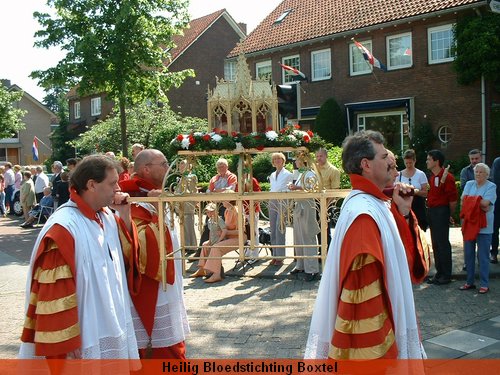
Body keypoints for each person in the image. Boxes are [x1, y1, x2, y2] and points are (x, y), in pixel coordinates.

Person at [305, 130, 429, 360]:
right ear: (366, 165)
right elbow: (363, 307)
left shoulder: (375, 202)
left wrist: (402, 211)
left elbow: (403, 259)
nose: (392, 164)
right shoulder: (363, 216)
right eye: (384, 158)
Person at [19, 155, 140, 359]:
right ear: (91, 185)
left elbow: (126, 259)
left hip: (109, 321)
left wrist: (125, 215)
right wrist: (65, 339)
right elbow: (54, 290)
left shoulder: (107, 216)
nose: (118, 188)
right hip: (84, 332)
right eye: (112, 183)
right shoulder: (63, 228)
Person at [119, 149, 190, 359]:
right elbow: (134, 243)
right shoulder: (133, 197)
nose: (168, 168)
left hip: (169, 280)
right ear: (146, 169)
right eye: (164, 163)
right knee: (160, 345)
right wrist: (155, 210)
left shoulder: (153, 193)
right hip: (152, 283)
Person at [459, 163, 496, 294]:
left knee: (483, 256)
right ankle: (469, 282)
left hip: (484, 227)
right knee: (468, 255)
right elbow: (463, 200)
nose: (478, 174)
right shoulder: (469, 184)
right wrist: (478, 203)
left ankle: (484, 284)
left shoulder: (491, 186)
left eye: (481, 172)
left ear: (487, 174)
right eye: (476, 172)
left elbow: (487, 203)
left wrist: (472, 202)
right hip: (469, 224)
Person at [191, 158, 237, 262]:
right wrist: (220, 191)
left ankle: (214, 255)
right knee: (207, 227)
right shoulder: (214, 178)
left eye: (223, 166)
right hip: (214, 205)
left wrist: (216, 191)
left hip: (226, 206)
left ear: (227, 166)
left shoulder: (232, 176)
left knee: (221, 228)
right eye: (219, 166)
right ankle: (200, 253)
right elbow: (208, 191)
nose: (221, 168)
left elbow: (231, 190)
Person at [193, 197, 244, 284]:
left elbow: (241, 231)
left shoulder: (237, 211)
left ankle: (217, 274)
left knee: (216, 247)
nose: (221, 200)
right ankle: (202, 269)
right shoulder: (227, 211)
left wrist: (225, 232)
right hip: (228, 237)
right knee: (205, 244)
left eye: (224, 198)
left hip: (238, 238)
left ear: (228, 200)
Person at [426, 150, 458, 285]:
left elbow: (453, 200)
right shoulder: (433, 177)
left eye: (429, 159)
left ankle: (446, 274)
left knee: (443, 243)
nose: (427, 161)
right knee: (436, 243)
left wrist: (448, 214)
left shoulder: (448, 177)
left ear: (436, 161)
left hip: (441, 212)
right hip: (432, 212)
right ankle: (439, 273)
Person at [288, 157, 320, 281]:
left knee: (308, 237)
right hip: (299, 207)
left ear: (302, 161)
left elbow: (311, 188)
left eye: (296, 159)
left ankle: (312, 269)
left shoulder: (310, 173)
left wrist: (296, 188)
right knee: (298, 237)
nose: (295, 161)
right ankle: (300, 265)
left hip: (307, 206)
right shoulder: (302, 174)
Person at [269, 152, 293, 266]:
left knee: (280, 227)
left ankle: (280, 256)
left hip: (283, 201)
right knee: (272, 227)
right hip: (272, 200)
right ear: (273, 162)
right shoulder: (272, 175)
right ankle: (274, 254)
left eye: (279, 159)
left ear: (283, 161)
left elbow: (289, 189)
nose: (277, 161)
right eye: (275, 159)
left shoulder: (288, 174)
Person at [190, 202, 227, 278]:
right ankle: (202, 268)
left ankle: (213, 271)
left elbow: (224, 230)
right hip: (213, 240)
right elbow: (210, 231)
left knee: (213, 251)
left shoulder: (219, 220)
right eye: (208, 212)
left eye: (211, 211)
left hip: (219, 240)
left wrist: (220, 240)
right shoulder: (210, 221)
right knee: (205, 245)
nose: (209, 214)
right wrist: (209, 240)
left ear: (216, 211)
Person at [398, 149, 429, 231]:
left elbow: (426, 193)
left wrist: (415, 191)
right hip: (403, 206)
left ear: (414, 161)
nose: (408, 165)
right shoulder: (399, 175)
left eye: (410, 163)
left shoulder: (421, 174)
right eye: (406, 163)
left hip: (418, 206)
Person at [315, 148, 340, 248]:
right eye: (317, 156)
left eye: (321, 156)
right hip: (314, 203)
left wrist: (325, 206)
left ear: (326, 156)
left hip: (326, 203)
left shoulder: (333, 170)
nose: (318, 158)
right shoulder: (314, 169)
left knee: (325, 229)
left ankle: (328, 252)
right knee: (316, 229)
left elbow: (335, 191)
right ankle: (321, 251)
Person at [235, 171, 262, 261]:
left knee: (253, 232)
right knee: (246, 232)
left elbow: (258, 193)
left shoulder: (252, 180)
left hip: (252, 210)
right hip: (243, 211)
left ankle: (255, 255)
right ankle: (247, 253)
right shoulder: (239, 182)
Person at [175, 160, 198, 254]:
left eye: (182, 164)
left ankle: (192, 246)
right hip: (181, 205)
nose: (180, 166)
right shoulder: (181, 177)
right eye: (180, 165)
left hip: (187, 204)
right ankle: (186, 244)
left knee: (189, 226)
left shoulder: (191, 176)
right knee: (183, 226)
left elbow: (192, 190)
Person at [491, 157, 500, 264]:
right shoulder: (498, 161)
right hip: (498, 200)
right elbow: (496, 180)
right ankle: (493, 253)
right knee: (495, 227)